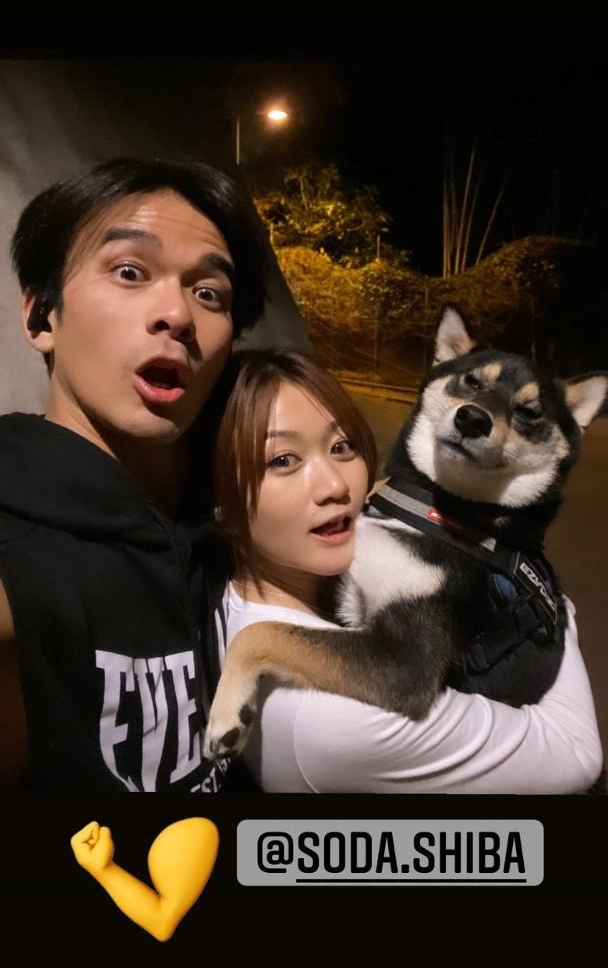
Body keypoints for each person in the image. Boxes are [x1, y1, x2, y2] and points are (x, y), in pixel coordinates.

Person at [213, 349, 603, 793]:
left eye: (341, 447)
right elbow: (579, 756)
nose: (336, 486)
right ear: (219, 496)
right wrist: (550, 601)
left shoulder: (228, 586)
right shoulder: (324, 722)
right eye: (283, 460)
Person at [0, 156, 268, 792]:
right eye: (129, 272)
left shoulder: (240, 523)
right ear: (42, 316)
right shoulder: (18, 566)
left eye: (210, 293)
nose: (178, 314)